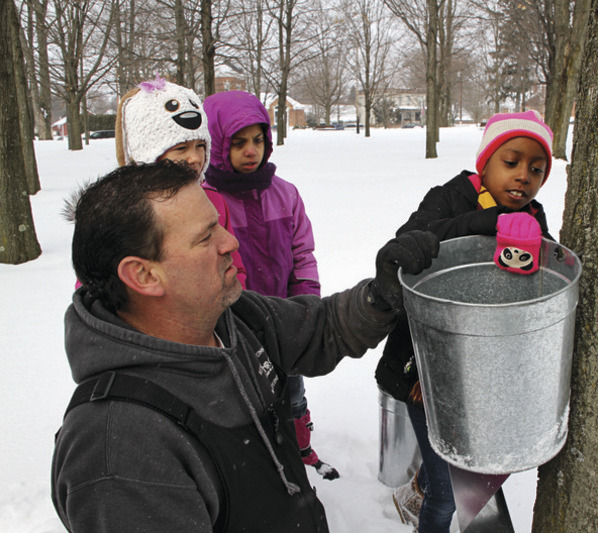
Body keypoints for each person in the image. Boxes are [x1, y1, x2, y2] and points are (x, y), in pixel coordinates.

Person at [51, 160, 439, 532]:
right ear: (144, 274)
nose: (230, 241)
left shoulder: (233, 316)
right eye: (206, 236)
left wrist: (380, 295)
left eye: (218, 225)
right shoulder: (117, 449)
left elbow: (320, 329)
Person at [376, 110, 555, 532]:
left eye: (536, 168)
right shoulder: (450, 197)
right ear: (486, 163)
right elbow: (410, 244)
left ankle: (414, 490)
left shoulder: (533, 217)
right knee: (447, 488)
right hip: (421, 369)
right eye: (511, 162)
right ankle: (428, 506)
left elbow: (533, 289)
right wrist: (485, 223)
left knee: (479, 462)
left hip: (481, 375)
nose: (523, 177)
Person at [202, 90, 335, 479]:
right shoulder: (207, 202)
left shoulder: (285, 195)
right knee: (251, 397)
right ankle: (265, 463)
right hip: (236, 326)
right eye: (238, 142)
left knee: (292, 391)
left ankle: (301, 449)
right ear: (219, 143)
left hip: (285, 320)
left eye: (258, 140)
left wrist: (306, 307)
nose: (251, 151)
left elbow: (302, 255)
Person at [115, 76, 247, 286]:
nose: (194, 157)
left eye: (200, 146)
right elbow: (98, 283)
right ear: (148, 153)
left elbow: (234, 266)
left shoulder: (213, 202)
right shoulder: (123, 211)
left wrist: (232, 303)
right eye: (181, 148)